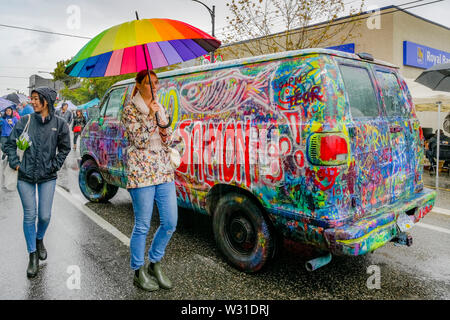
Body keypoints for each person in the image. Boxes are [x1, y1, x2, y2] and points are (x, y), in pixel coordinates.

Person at [3, 87, 71, 278]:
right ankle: (32, 255)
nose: (32, 102)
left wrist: (55, 165)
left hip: (47, 176)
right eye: (31, 99)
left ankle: (39, 238)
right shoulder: (25, 121)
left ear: (46, 100)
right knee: (29, 216)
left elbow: (65, 148)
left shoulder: (60, 124)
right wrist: (16, 163)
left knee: (44, 216)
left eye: (35, 99)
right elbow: (9, 143)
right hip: (24, 176)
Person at [121, 70, 177, 292]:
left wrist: (162, 124)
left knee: (170, 222)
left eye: (156, 82)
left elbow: (167, 138)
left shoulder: (159, 106)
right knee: (142, 224)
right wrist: (151, 118)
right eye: (149, 83)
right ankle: (138, 270)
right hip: (141, 172)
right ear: (139, 84)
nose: (154, 87)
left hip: (163, 170)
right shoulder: (129, 110)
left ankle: (155, 262)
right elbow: (140, 140)